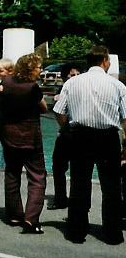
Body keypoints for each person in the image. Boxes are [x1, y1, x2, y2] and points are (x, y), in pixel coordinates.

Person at [53, 45, 126, 245]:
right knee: (111, 187)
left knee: (79, 184)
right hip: (108, 137)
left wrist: (66, 129)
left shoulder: (72, 83)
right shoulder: (118, 86)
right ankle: (112, 233)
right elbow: (125, 118)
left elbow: (58, 110)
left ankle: (76, 231)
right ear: (104, 61)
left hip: (80, 136)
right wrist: (125, 144)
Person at [0, 53, 48, 234]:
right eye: (38, 67)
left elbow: (0, 100)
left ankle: (14, 214)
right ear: (30, 69)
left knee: (12, 174)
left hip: (9, 134)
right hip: (30, 136)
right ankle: (31, 219)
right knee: (37, 177)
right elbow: (44, 107)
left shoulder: (7, 83)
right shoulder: (33, 87)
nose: (40, 70)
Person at [48, 64, 82, 210]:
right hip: (64, 134)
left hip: (76, 134)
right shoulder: (61, 90)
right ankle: (60, 198)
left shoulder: (81, 90)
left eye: (77, 74)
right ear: (63, 77)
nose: (75, 78)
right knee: (58, 167)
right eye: (71, 75)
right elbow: (54, 109)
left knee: (77, 169)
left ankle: (75, 200)